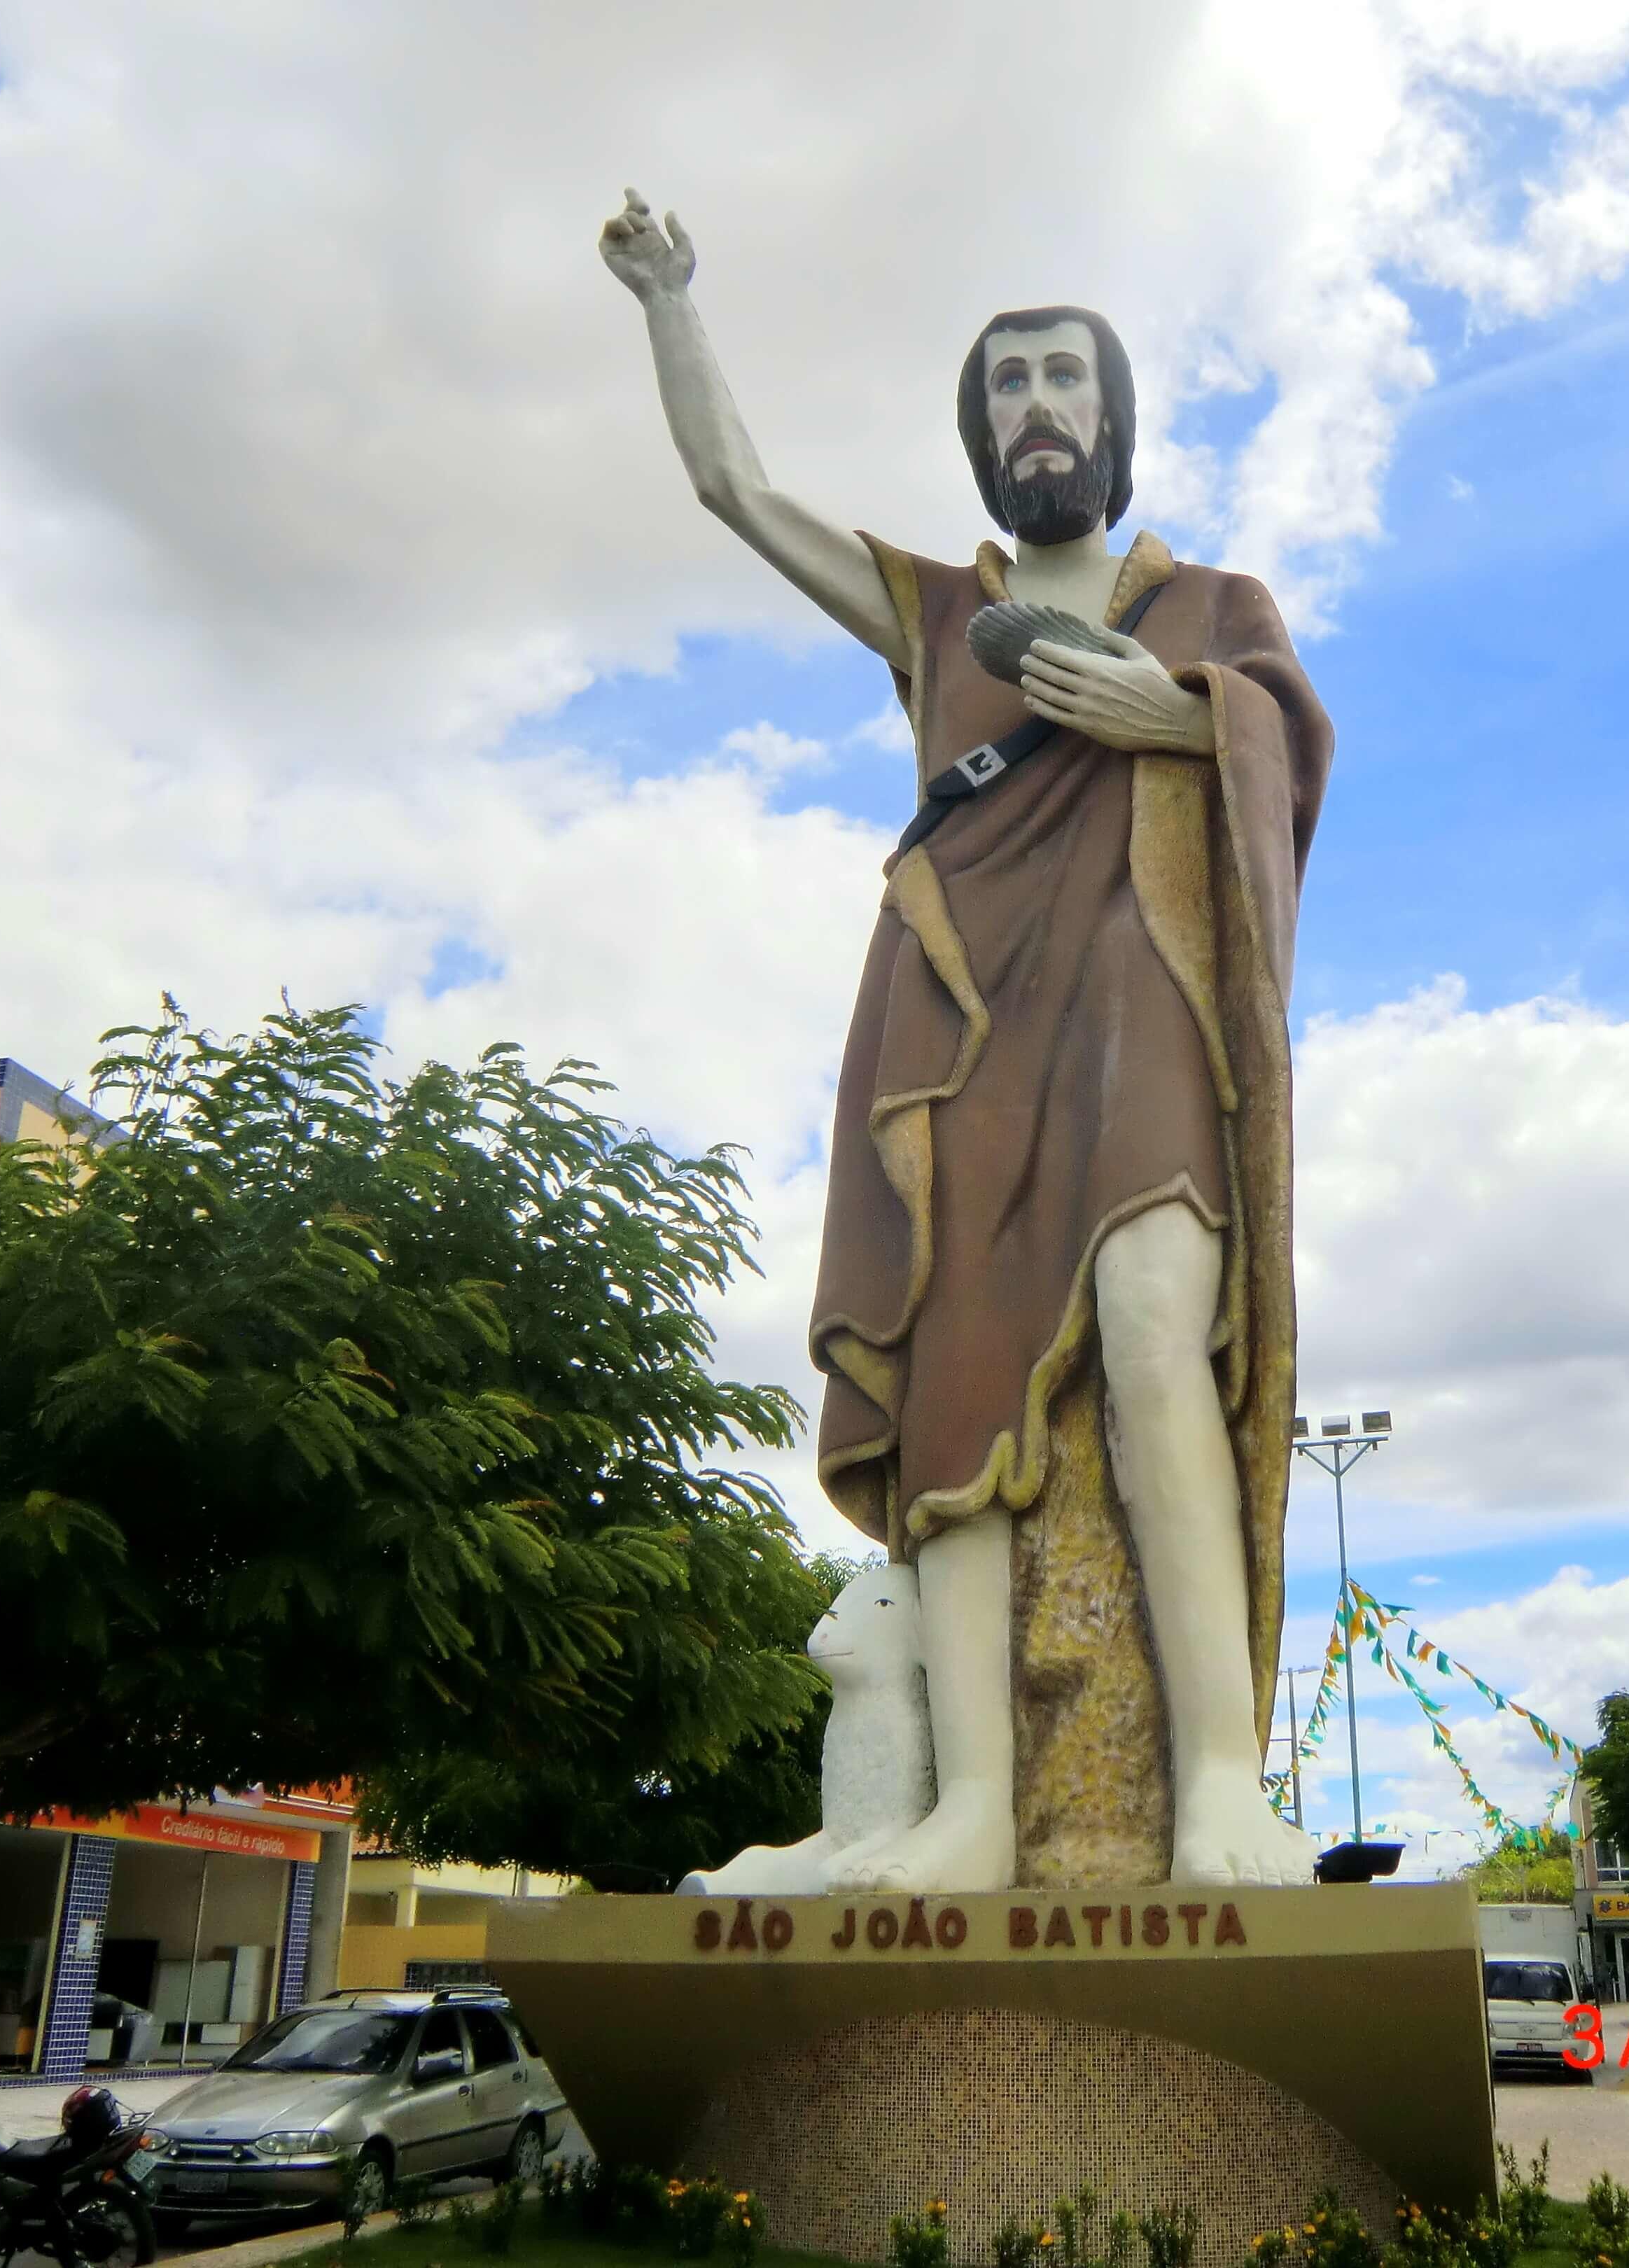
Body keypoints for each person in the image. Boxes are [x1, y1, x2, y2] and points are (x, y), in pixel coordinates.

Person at [601, 192, 1331, 1893]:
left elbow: (1284, 756)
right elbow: (737, 493)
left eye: (1065, 378)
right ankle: (974, 1806)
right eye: (1006, 388)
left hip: (1140, 998)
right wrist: (671, 300)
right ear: (980, 435)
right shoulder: (940, 615)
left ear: (1118, 416)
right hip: (957, 1012)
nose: (1036, 410)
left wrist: (1175, 716)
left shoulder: (1215, 608)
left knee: (1160, 1328)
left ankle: (1222, 1776)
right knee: (955, 1381)